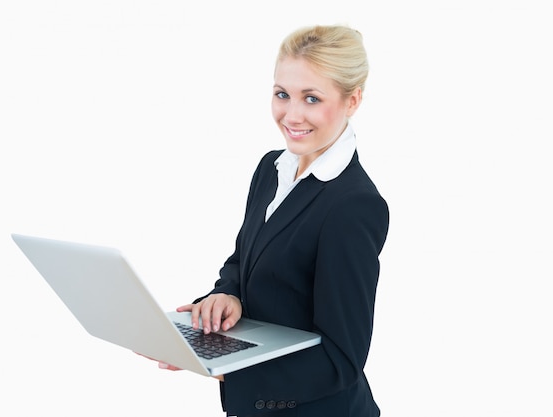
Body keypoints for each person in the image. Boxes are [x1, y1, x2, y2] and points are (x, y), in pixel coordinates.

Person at [155, 24, 389, 416]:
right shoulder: (272, 169)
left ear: (353, 101)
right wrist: (226, 295)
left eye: (311, 98)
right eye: (283, 94)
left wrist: (226, 369)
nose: (291, 115)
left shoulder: (354, 205)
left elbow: (341, 360)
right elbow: (244, 261)